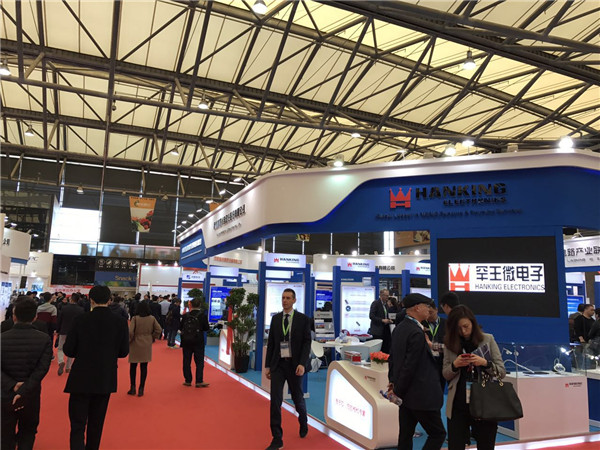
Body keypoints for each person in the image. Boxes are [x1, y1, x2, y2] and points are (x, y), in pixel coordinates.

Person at [63, 286, 129, 450]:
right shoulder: (120, 322)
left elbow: (69, 350)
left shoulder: (80, 319)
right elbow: (123, 352)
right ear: (109, 300)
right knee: (96, 424)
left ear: (90, 299)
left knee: (77, 424)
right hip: (105, 377)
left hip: (81, 377)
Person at [387, 293, 446, 450]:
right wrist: (398, 389)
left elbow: (392, 359)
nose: (429, 310)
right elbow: (410, 366)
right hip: (420, 395)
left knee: (405, 435)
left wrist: (394, 383)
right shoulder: (416, 332)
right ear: (417, 308)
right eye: (426, 306)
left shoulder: (400, 328)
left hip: (406, 396)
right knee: (438, 434)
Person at [442, 305, 506, 450]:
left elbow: (501, 372)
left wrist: (484, 363)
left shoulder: (487, 339)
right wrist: (455, 365)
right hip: (458, 405)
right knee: (455, 445)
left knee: (486, 444)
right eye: (458, 328)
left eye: (466, 326)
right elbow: (445, 373)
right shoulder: (449, 344)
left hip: (484, 403)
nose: (463, 331)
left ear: (473, 323)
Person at [1, 296, 52, 450]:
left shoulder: (2, 339)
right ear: (35, 317)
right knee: (28, 431)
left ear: (14, 316)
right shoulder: (44, 339)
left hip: (5, 393)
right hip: (31, 394)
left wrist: (13, 385)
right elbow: (42, 369)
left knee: (5, 433)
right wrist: (24, 388)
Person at [265, 288, 311, 450]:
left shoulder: (303, 319)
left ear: (294, 300)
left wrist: (302, 363)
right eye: (283, 298)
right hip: (278, 365)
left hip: (295, 365)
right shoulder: (276, 319)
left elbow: (307, 343)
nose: (285, 300)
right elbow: (271, 343)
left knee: (298, 398)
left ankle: (303, 421)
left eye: (288, 298)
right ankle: (277, 438)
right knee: (275, 401)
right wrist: (268, 366)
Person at [127, 302, 161, 397]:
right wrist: (152, 337)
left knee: (133, 366)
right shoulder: (152, 318)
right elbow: (159, 329)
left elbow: (130, 331)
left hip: (135, 343)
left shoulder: (135, 318)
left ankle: (132, 387)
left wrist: (130, 340)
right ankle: (141, 388)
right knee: (144, 367)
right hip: (146, 343)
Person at [180, 298, 210, 387]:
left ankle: (188, 380)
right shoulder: (202, 316)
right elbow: (206, 328)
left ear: (191, 305)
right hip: (198, 341)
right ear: (200, 305)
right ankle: (199, 381)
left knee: (186, 361)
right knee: (199, 362)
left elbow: (180, 327)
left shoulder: (185, 315)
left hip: (186, 340)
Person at [56, 293, 84, 376]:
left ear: (71, 299)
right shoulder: (81, 310)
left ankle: (61, 361)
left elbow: (60, 320)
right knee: (72, 349)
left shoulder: (64, 308)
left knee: (60, 348)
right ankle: (68, 367)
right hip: (74, 332)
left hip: (64, 330)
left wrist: (57, 330)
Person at [423, 299, 446, 392]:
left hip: (442, 361)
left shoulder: (446, 323)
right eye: (427, 313)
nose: (428, 315)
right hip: (427, 362)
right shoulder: (422, 324)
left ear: (436, 310)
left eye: (431, 312)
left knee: (440, 388)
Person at [369, 289, 393, 353]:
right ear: (381, 295)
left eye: (388, 296)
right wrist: (382, 320)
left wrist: (389, 320)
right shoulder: (376, 303)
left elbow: (385, 315)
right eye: (386, 296)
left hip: (385, 330)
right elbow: (371, 316)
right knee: (377, 350)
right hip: (378, 330)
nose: (387, 297)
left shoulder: (386, 305)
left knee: (386, 348)